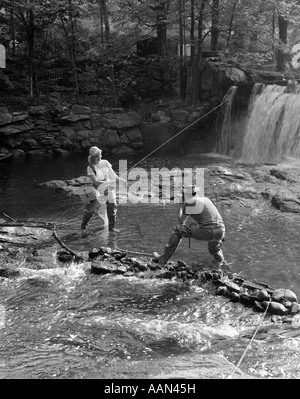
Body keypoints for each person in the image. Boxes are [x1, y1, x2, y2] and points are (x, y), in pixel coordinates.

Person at [153, 184, 227, 268]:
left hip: (208, 230)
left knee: (178, 230)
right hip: (221, 229)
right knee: (214, 249)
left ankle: (163, 259)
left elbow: (181, 222)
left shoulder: (189, 202)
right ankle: (221, 265)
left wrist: (180, 207)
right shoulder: (206, 199)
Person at [80, 146, 126, 236]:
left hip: (109, 189)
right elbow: (96, 182)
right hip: (98, 190)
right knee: (91, 210)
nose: (100, 157)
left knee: (112, 207)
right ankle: (83, 227)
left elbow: (113, 175)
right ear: (93, 157)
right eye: (98, 156)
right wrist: (112, 181)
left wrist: (119, 179)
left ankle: (112, 229)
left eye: (100, 155)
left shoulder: (105, 162)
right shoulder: (90, 168)